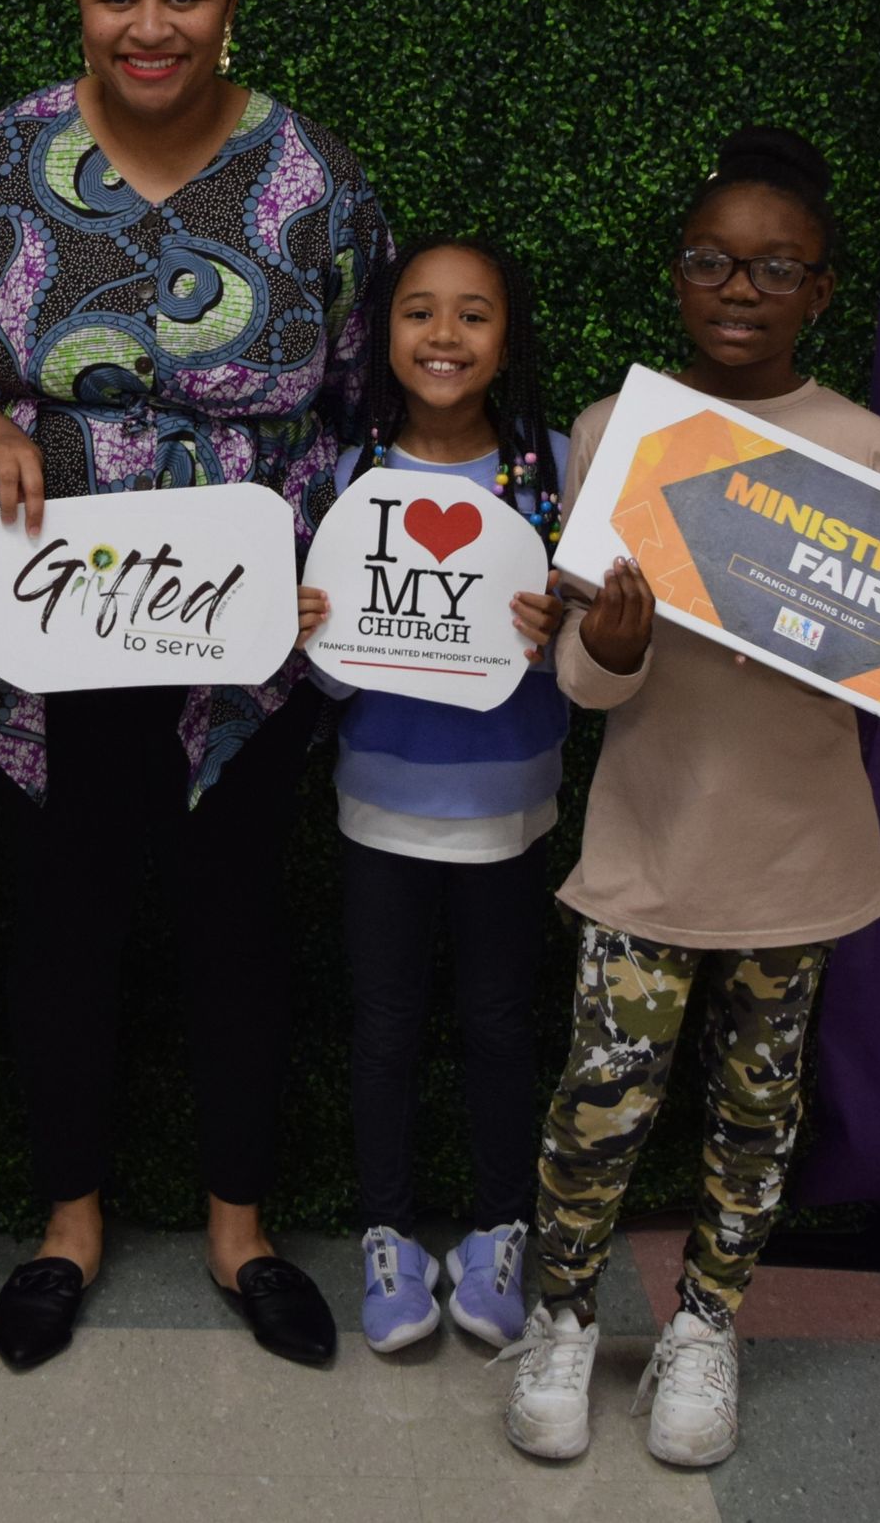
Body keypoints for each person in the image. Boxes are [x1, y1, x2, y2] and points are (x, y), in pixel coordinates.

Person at [0, 0, 389, 1372]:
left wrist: (330, 558)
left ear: (229, 1)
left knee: (239, 920)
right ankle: (70, 1224)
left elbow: (365, 396)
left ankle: (241, 1230)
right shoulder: (2, 158)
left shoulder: (309, 176)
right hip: (52, 610)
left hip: (245, 624)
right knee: (65, 920)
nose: (149, 26)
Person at [503, 126, 880, 1471]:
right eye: (712, 262)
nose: (741, 289)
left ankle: (706, 1328)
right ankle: (562, 1317)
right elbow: (581, 679)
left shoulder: (866, 446)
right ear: (678, 276)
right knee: (602, 1093)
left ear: (821, 290)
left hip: (797, 853)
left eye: (776, 267)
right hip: (649, 839)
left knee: (756, 1112)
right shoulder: (616, 432)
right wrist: (613, 644)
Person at [296, 235, 567, 1357]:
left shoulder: (553, 471)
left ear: (508, 339)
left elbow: (593, 655)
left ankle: (502, 1229)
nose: (444, 335)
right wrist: (310, 636)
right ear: (383, 334)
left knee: (504, 1024)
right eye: (418, 312)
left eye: (473, 314)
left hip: (512, 803)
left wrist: (564, 633)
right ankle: (390, 1232)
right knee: (386, 1028)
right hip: (381, 802)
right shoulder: (345, 479)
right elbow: (326, 673)